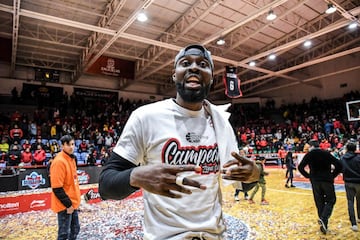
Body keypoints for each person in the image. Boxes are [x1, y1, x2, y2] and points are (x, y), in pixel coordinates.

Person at [99, 44, 260, 240]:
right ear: (174, 74)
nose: (194, 68)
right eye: (185, 63)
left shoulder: (221, 124)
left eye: (203, 64)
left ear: (211, 77)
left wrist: (254, 175)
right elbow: (106, 186)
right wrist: (136, 176)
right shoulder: (145, 117)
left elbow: (240, 184)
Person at [298, 140, 342, 235]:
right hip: (327, 180)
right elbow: (339, 165)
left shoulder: (309, 155)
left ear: (311, 146)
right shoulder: (326, 153)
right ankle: (324, 220)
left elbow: (300, 167)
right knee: (331, 200)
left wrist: (308, 176)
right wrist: (332, 175)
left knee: (319, 202)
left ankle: (323, 222)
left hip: (315, 181)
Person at [50, 135, 81, 240]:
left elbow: (73, 181)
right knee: (64, 234)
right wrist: (68, 205)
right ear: (62, 145)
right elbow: (57, 188)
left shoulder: (71, 159)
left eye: (73, 144)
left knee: (75, 229)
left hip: (72, 202)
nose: (71, 147)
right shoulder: (59, 162)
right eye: (68, 145)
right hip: (65, 205)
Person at [340, 141, 360, 232]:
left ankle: (353, 223)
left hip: (348, 182)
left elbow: (340, 169)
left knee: (350, 202)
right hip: (358, 182)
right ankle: (359, 217)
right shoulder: (358, 157)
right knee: (359, 200)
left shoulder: (343, 158)